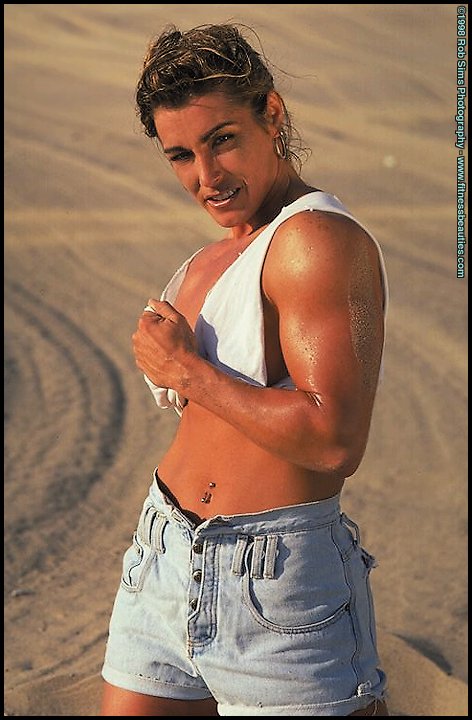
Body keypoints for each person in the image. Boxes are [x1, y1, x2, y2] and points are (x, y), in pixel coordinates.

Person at [100, 22, 390, 717]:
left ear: (272, 114)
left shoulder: (315, 239)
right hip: (162, 559)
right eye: (181, 155)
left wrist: (186, 371)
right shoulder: (209, 260)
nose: (207, 177)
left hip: (277, 588)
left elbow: (334, 440)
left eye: (223, 139)